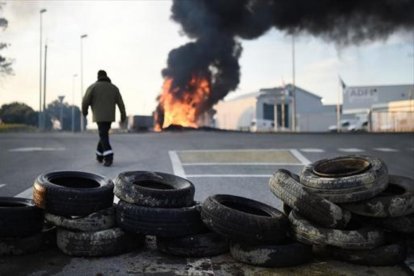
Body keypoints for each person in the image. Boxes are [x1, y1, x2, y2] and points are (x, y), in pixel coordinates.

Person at [82, 70, 126, 167]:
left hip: (99, 116)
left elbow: (85, 101)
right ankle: (99, 156)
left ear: (98, 77)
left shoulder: (92, 87)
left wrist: (85, 112)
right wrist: (123, 116)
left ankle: (108, 157)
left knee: (103, 135)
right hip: (110, 116)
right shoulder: (114, 88)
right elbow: (121, 104)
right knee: (104, 134)